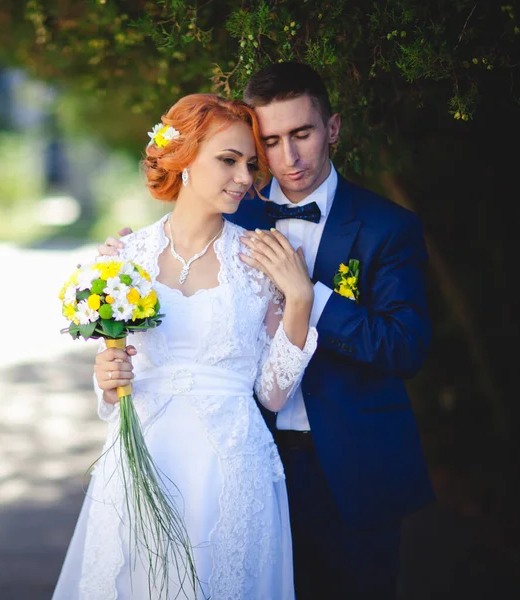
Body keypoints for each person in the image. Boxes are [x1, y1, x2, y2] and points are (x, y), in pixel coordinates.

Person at [99, 62, 435, 600]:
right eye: (271, 142)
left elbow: (406, 347)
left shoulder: (387, 228)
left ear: (333, 128)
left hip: (354, 471)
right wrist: (122, 269)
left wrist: (312, 295)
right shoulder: (231, 211)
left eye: (302, 134)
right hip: (247, 465)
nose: (289, 157)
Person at [53, 93, 319, 600]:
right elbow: (115, 377)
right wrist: (106, 381)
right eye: (227, 160)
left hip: (230, 468)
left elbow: (273, 394)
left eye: (249, 164)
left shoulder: (261, 260)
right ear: (184, 160)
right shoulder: (124, 257)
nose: (244, 177)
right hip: (141, 460)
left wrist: (300, 299)